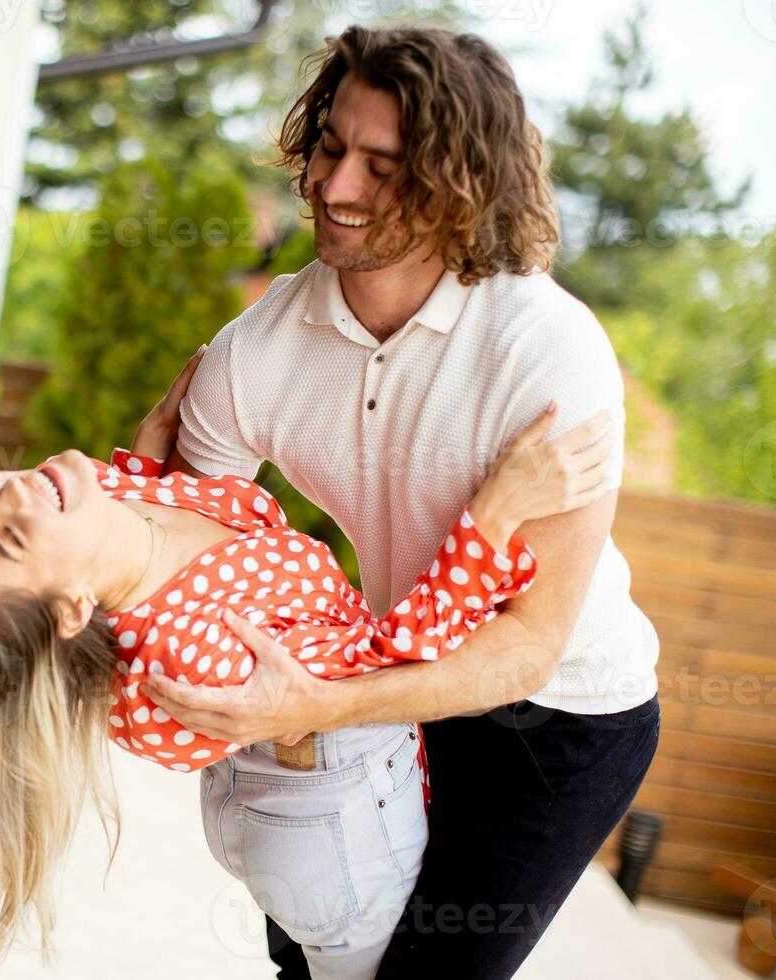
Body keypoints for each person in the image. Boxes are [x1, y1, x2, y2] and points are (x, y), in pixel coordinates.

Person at [0, 345, 610, 980]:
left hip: (302, 795)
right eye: (12, 537)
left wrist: (147, 464)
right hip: (340, 847)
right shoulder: (200, 657)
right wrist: (499, 511)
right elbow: (388, 661)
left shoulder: (121, 499)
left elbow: (164, 527)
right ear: (70, 610)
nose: (14, 492)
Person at [140, 25, 662, 979]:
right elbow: (195, 555)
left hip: (561, 717)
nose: (336, 190)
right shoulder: (257, 353)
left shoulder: (547, 353)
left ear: (460, 182)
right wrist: (142, 495)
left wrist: (320, 703)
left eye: (383, 168)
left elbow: (526, 645)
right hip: (394, 669)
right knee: (313, 960)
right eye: (333, 148)